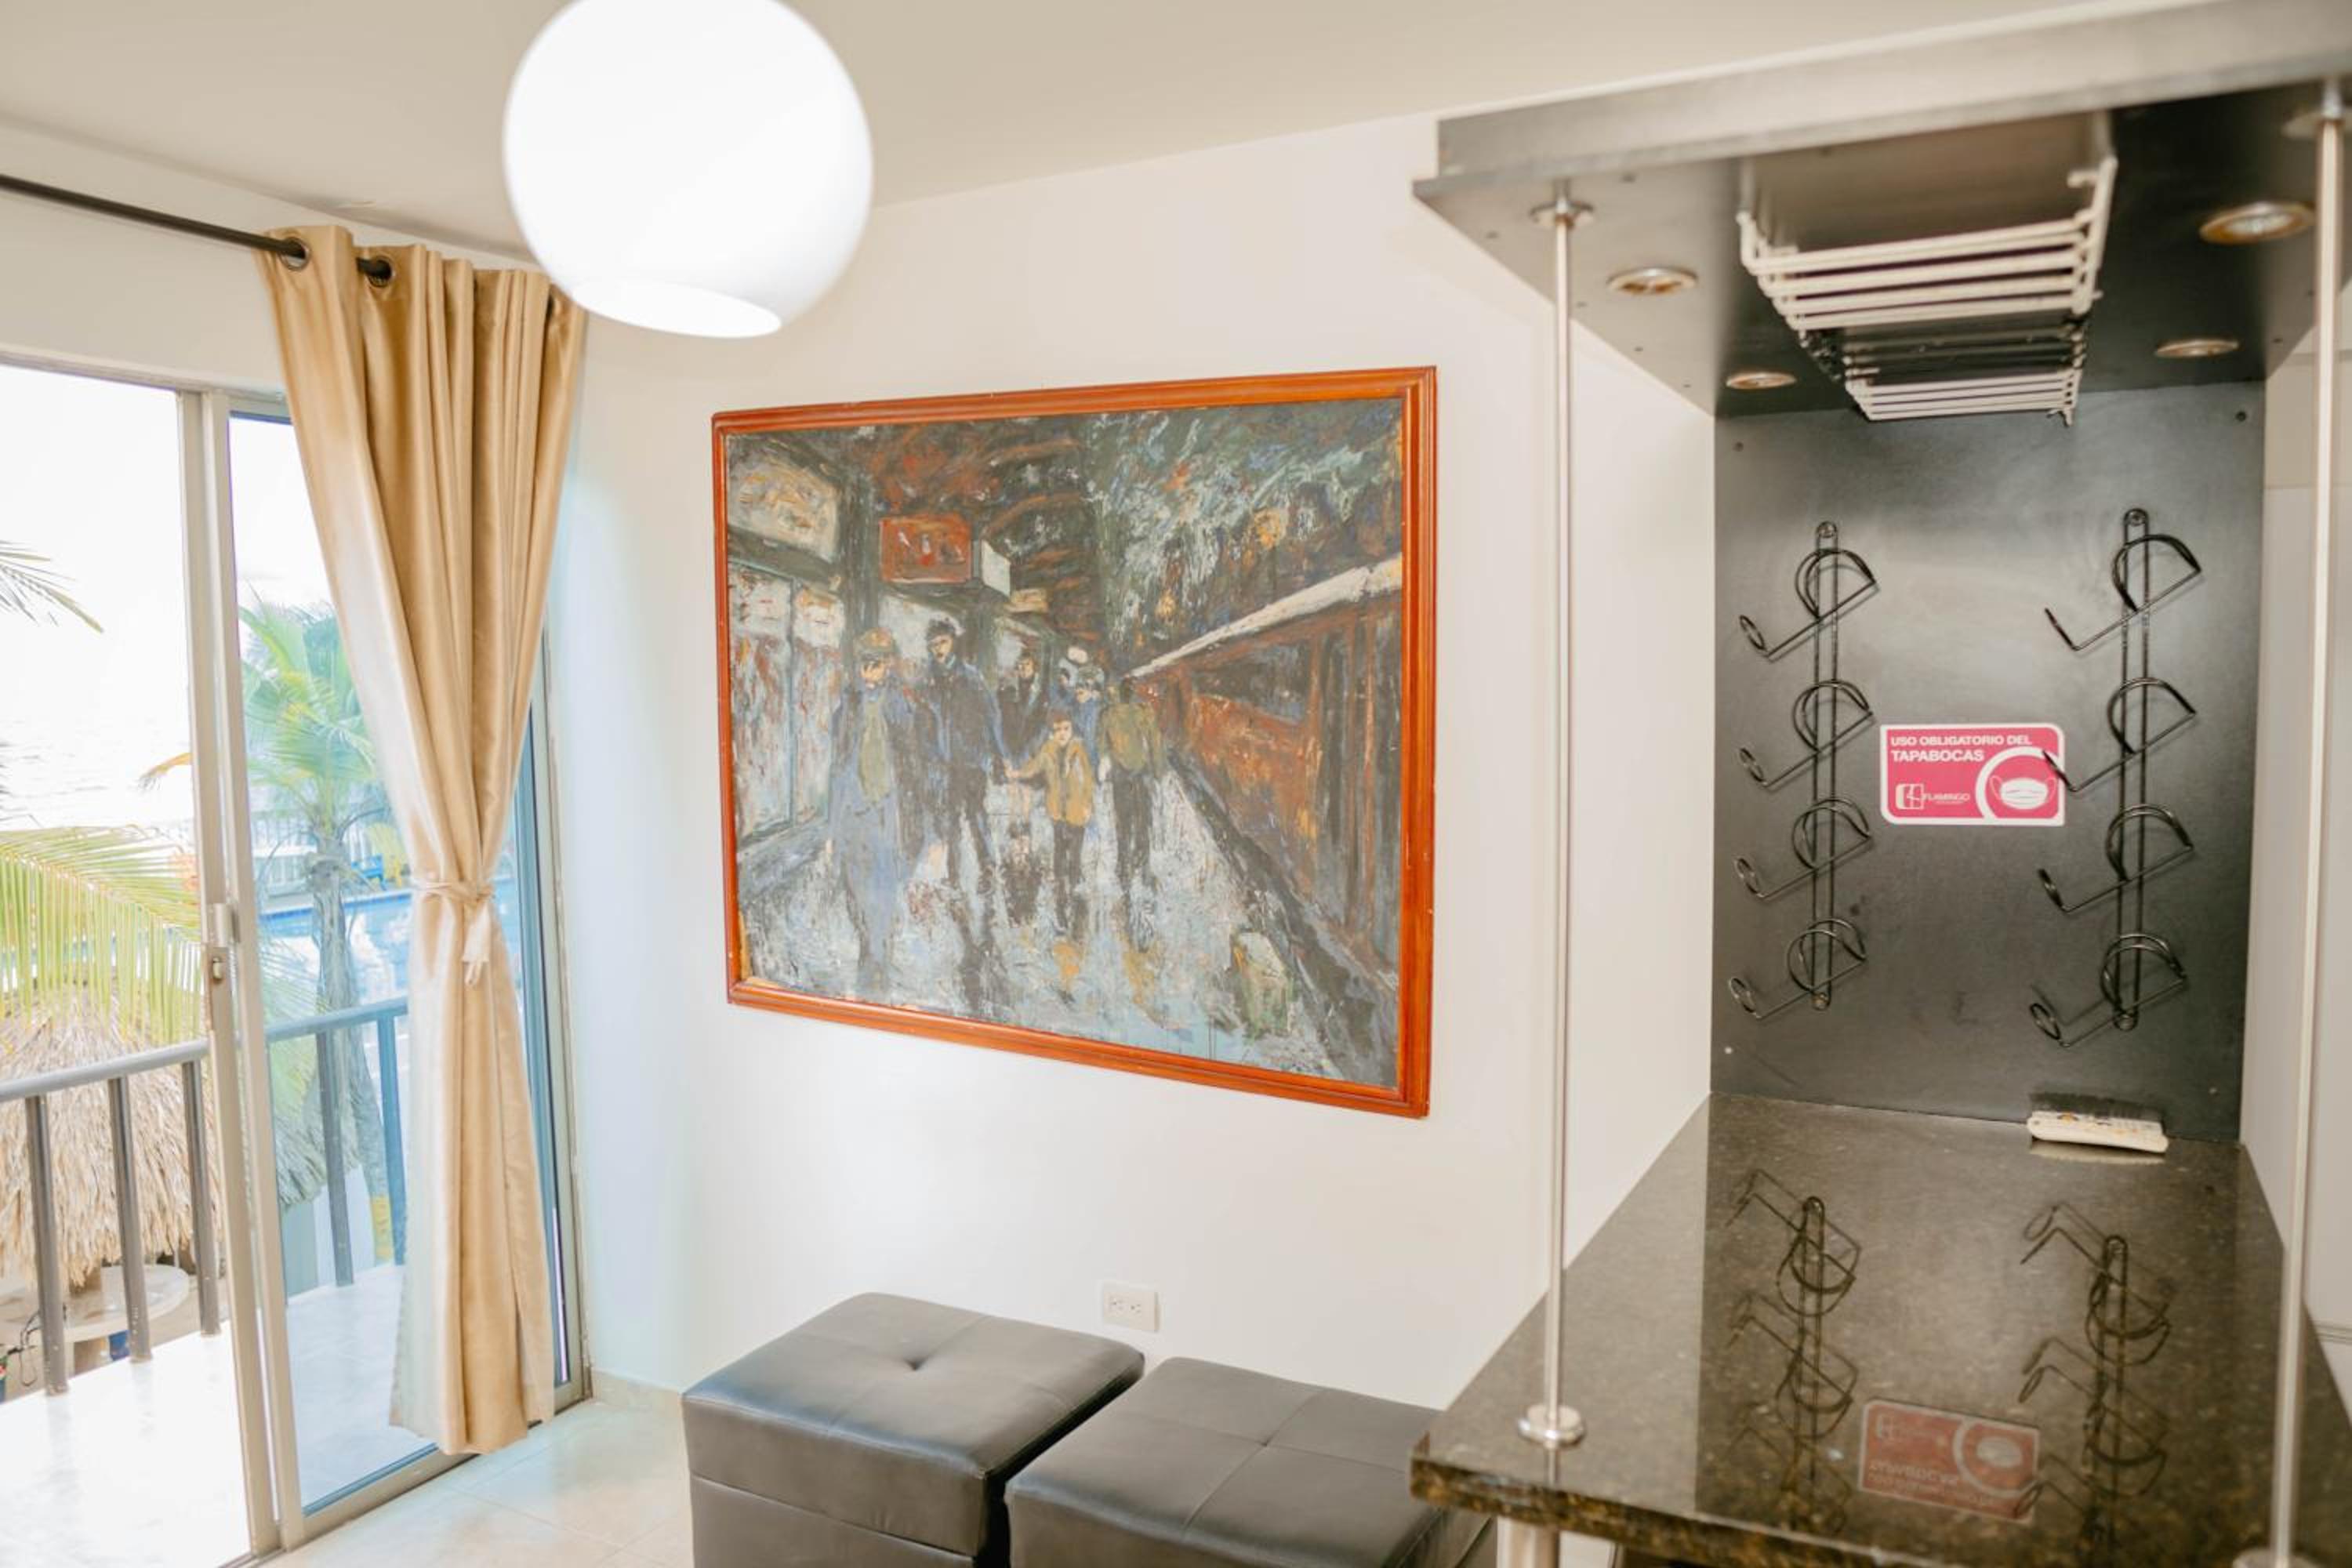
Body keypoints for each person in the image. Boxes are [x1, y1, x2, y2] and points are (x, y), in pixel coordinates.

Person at [828, 628, 926, 993]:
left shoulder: (901, 705)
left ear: (888, 666)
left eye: (877, 663)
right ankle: (868, 944)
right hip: (853, 810)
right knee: (854, 887)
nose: (870, 671)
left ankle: (878, 958)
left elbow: (914, 764)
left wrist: (920, 821)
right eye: (865, 663)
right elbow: (838, 764)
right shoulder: (848, 705)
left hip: (887, 808)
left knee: (882, 887)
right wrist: (831, 829)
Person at [917, 616, 1004, 895]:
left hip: (972, 759)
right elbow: (924, 721)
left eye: (942, 642)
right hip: (945, 762)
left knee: (976, 814)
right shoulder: (928, 680)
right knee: (951, 819)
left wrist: (998, 756)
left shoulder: (970, 677)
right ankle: (954, 876)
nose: (938, 649)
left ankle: (988, 869)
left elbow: (991, 716)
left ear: (953, 642)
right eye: (933, 645)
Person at [1008, 707, 1094, 933]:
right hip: (1057, 812)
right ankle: (1060, 897)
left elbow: (1088, 779)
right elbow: (1033, 767)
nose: (1063, 733)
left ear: (1072, 729)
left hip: (1076, 811)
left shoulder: (1079, 750)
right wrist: (1017, 774)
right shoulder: (1047, 751)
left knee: (1075, 855)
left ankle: (1074, 889)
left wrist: (1088, 805)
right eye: (1058, 730)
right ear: (1051, 733)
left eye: (1066, 728)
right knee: (1059, 854)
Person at [1098, 677, 1164, 895]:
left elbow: (1102, 745)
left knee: (1124, 822)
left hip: (1120, 774)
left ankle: (1123, 869)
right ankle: (1143, 868)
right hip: (1141, 773)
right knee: (1143, 821)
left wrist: (1106, 765)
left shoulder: (1107, 715)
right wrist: (1158, 772)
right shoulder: (1144, 713)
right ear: (1134, 693)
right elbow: (1155, 743)